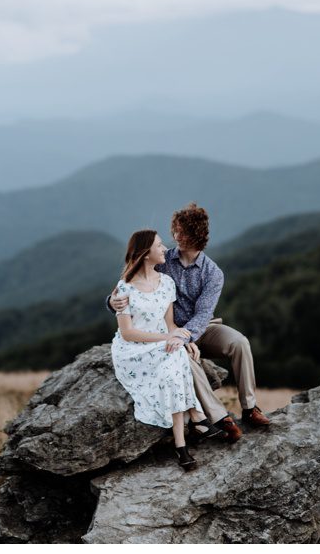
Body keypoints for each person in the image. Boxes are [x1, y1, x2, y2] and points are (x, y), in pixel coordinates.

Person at [108, 202, 270, 441]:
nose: (175, 236)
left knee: (240, 343)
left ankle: (249, 407)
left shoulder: (213, 273)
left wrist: (185, 336)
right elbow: (130, 282)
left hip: (203, 327)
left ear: (198, 235)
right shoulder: (162, 259)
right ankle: (219, 417)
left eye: (182, 232)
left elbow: (204, 314)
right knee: (184, 355)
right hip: (168, 331)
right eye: (175, 230)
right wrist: (112, 302)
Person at [111, 229, 207, 471]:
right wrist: (171, 338)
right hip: (133, 350)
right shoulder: (124, 289)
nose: (165, 249)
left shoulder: (166, 283)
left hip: (160, 342)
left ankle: (181, 445)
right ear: (145, 254)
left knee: (173, 363)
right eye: (159, 245)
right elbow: (128, 333)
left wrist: (181, 338)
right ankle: (197, 417)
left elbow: (171, 324)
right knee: (175, 352)